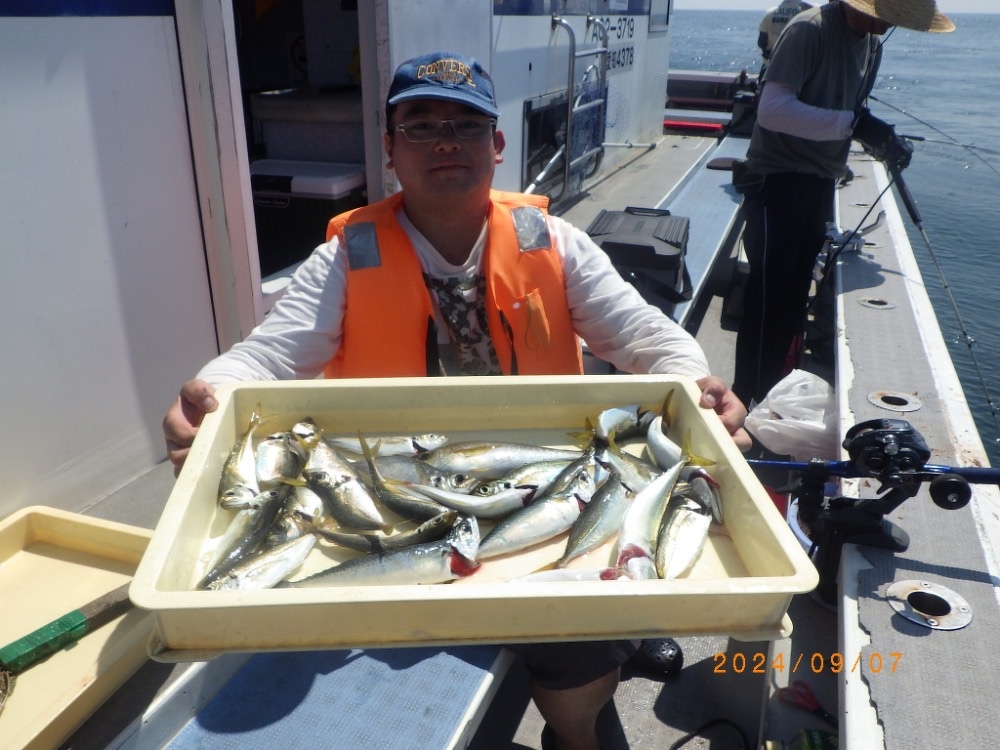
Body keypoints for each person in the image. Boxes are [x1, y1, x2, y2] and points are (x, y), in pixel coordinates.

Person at [164, 51, 751, 750]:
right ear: (390, 150)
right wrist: (213, 394)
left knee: (582, 662)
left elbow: (644, 335)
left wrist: (698, 383)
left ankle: (580, 723)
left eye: (466, 125)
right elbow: (271, 353)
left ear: (496, 144)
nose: (445, 141)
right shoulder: (348, 254)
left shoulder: (552, 240)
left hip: (547, 476)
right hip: (394, 489)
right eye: (420, 126)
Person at [732, 0, 954, 408]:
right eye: (889, 13)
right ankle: (744, 401)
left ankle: (769, 402)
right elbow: (772, 111)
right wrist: (855, 125)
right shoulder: (809, 30)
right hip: (777, 184)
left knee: (793, 301)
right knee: (767, 302)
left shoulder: (871, 43)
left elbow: (851, 109)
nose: (891, 24)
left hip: (819, 182)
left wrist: (878, 136)